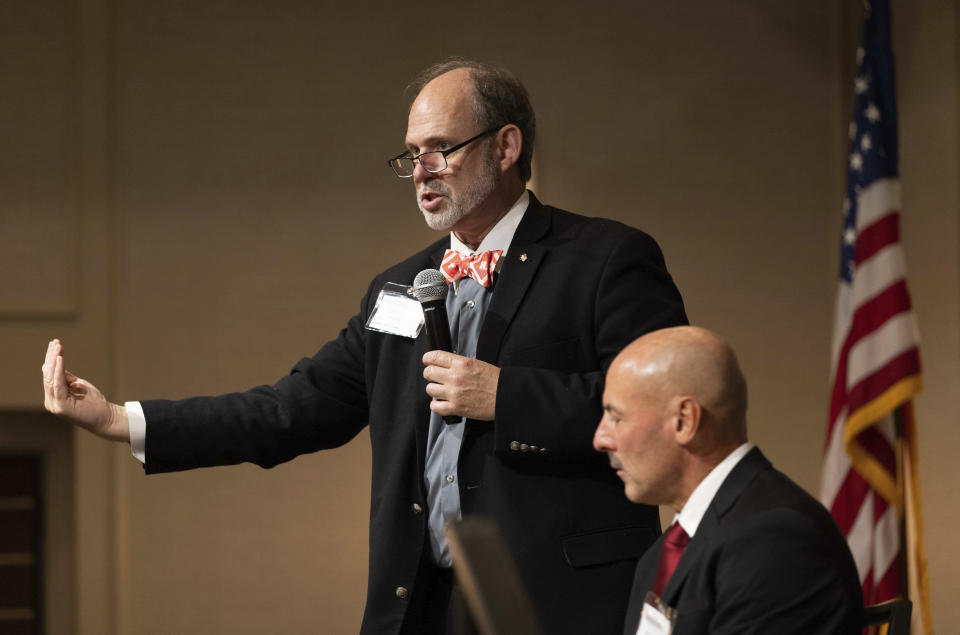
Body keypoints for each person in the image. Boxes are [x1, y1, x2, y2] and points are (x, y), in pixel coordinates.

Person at [41, 58, 687, 634]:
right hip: (423, 601)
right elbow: (292, 406)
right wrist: (123, 419)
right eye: (411, 154)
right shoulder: (400, 289)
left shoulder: (604, 259)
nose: (420, 171)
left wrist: (506, 394)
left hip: (561, 602)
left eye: (441, 148)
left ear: (507, 145)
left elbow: (662, 406)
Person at [593, 326, 864, 635]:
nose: (600, 439)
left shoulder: (774, 540)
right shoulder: (659, 556)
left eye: (616, 417)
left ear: (684, 420)